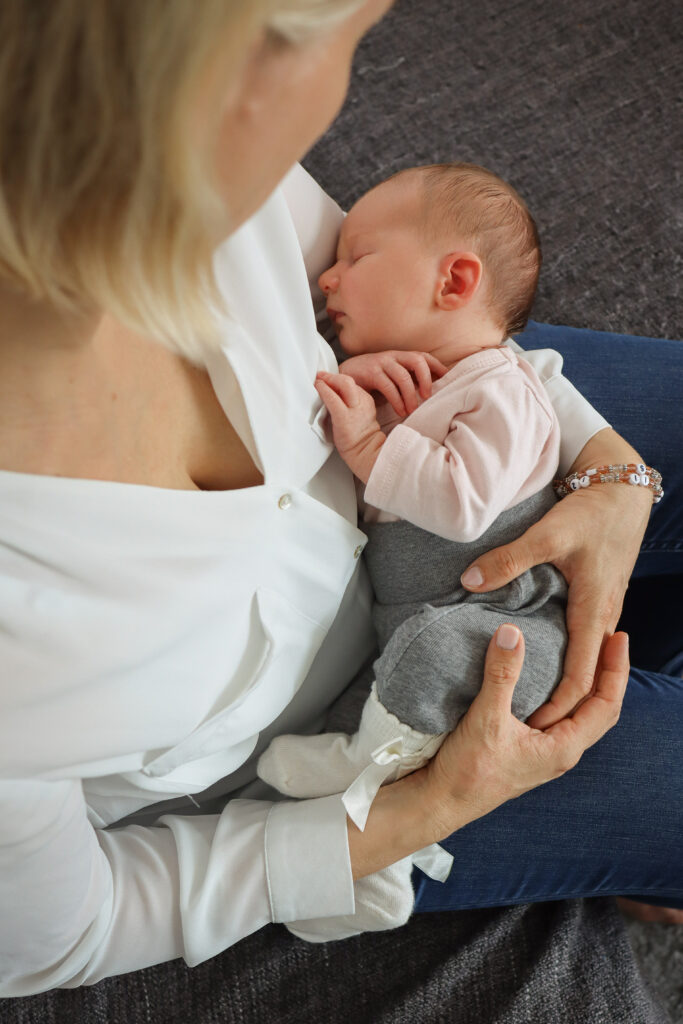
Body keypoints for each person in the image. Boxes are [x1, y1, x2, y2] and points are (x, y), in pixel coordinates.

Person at [0, 0, 679, 1005]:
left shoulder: (219, 203)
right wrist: (426, 808)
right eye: (347, 44)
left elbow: (455, 308)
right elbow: (62, 931)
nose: (337, 104)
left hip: (452, 418)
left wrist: (611, 470)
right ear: (207, 98)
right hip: (376, 738)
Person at [257, 162, 576, 938]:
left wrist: (366, 439)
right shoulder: (442, 384)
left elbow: (460, 505)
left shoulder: (500, 391)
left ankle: (371, 792)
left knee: (429, 658)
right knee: (379, 684)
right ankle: (371, 869)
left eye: (356, 258)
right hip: (408, 618)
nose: (327, 276)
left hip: (495, 621)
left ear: (454, 279)